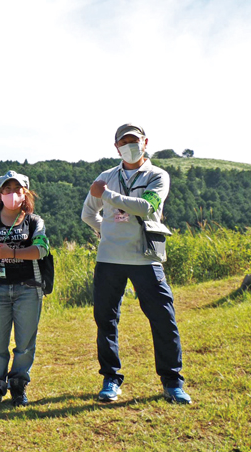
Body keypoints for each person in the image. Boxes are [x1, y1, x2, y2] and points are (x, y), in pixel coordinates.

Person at [81, 123, 191, 404]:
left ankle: (172, 382)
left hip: (146, 257)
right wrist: (105, 231)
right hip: (109, 259)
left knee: (163, 318)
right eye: (124, 142)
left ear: (145, 142)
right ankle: (110, 378)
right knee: (106, 320)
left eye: (135, 140)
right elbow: (87, 214)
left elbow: (147, 206)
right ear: (116, 147)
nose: (130, 145)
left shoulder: (157, 175)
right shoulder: (106, 176)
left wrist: (105, 195)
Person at [0, 171, 50, 407]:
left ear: (25, 192)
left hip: (29, 289)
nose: (12, 193)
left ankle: (18, 385)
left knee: (25, 342)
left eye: (17, 189)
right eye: (7, 189)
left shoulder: (35, 221)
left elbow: (41, 250)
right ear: (0, 193)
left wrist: (12, 253)